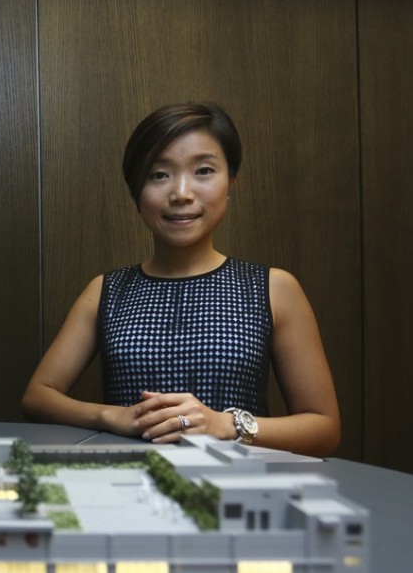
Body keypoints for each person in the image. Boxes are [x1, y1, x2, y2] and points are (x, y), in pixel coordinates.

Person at [22, 102, 341, 457]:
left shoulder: (273, 287)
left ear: (231, 180)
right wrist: (111, 416)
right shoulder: (107, 291)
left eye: (204, 170)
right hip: (127, 489)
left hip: (240, 491)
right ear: (136, 192)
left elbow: (324, 428)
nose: (182, 193)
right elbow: (38, 396)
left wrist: (226, 425)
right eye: (159, 175)